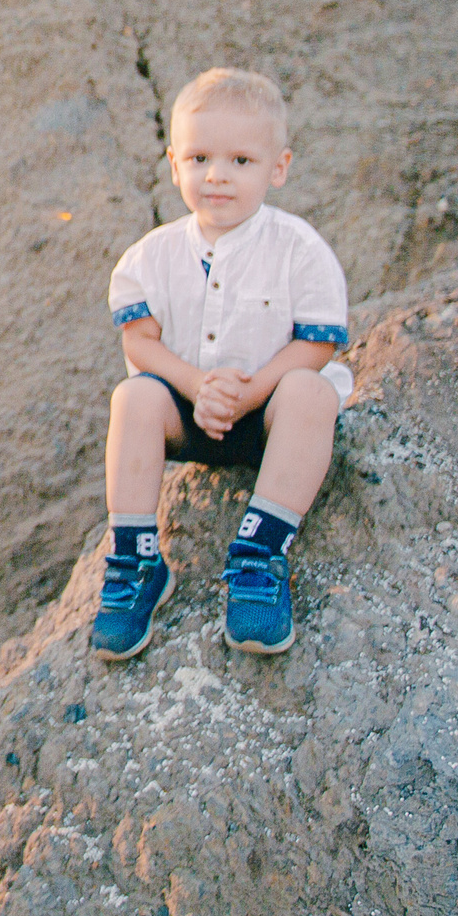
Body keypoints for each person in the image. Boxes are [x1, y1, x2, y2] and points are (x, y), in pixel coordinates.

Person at [90, 69, 353, 661]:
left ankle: (260, 555)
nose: (217, 175)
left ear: (278, 168)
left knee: (312, 392)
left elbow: (317, 345)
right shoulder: (150, 257)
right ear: (174, 163)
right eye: (200, 158)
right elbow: (141, 344)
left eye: (241, 160)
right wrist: (197, 385)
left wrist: (248, 392)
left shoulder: (300, 249)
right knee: (133, 397)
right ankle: (136, 560)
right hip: (189, 416)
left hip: (269, 421)